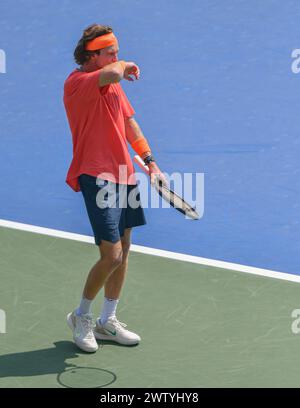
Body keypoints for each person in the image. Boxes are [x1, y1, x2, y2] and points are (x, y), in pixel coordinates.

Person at [63, 24, 166, 352]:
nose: (116, 57)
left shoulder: (111, 84)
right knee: (112, 254)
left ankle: (108, 320)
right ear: (92, 56)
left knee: (124, 251)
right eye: (110, 52)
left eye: (117, 53)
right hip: (97, 175)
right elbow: (115, 73)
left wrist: (151, 162)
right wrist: (126, 65)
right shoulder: (79, 83)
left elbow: (128, 123)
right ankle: (81, 316)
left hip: (124, 174)